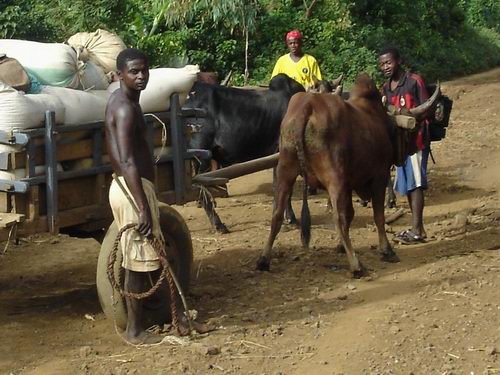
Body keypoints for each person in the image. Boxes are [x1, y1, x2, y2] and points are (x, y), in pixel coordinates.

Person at [105, 48, 212, 344]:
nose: (140, 77)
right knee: (139, 261)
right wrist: (141, 206)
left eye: (144, 70)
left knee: (151, 255)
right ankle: (135, 330)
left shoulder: (124, 103)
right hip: (131, 189)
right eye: (133, 72)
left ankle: (179, 318)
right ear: (119, 75)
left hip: (133, 187)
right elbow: (126, 161)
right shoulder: (125, 108)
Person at [379, 46, 430, 245]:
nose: (386, 67)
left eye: (389, 62)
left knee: (416, 184)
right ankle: (416, 228)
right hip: (399, 145)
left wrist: (403, 112)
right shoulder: (385, 88)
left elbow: (427, 108)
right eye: (382, 64)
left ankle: (418, 230)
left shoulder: (414, 81)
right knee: (407, 185)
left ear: (398, 61)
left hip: (416, 141)